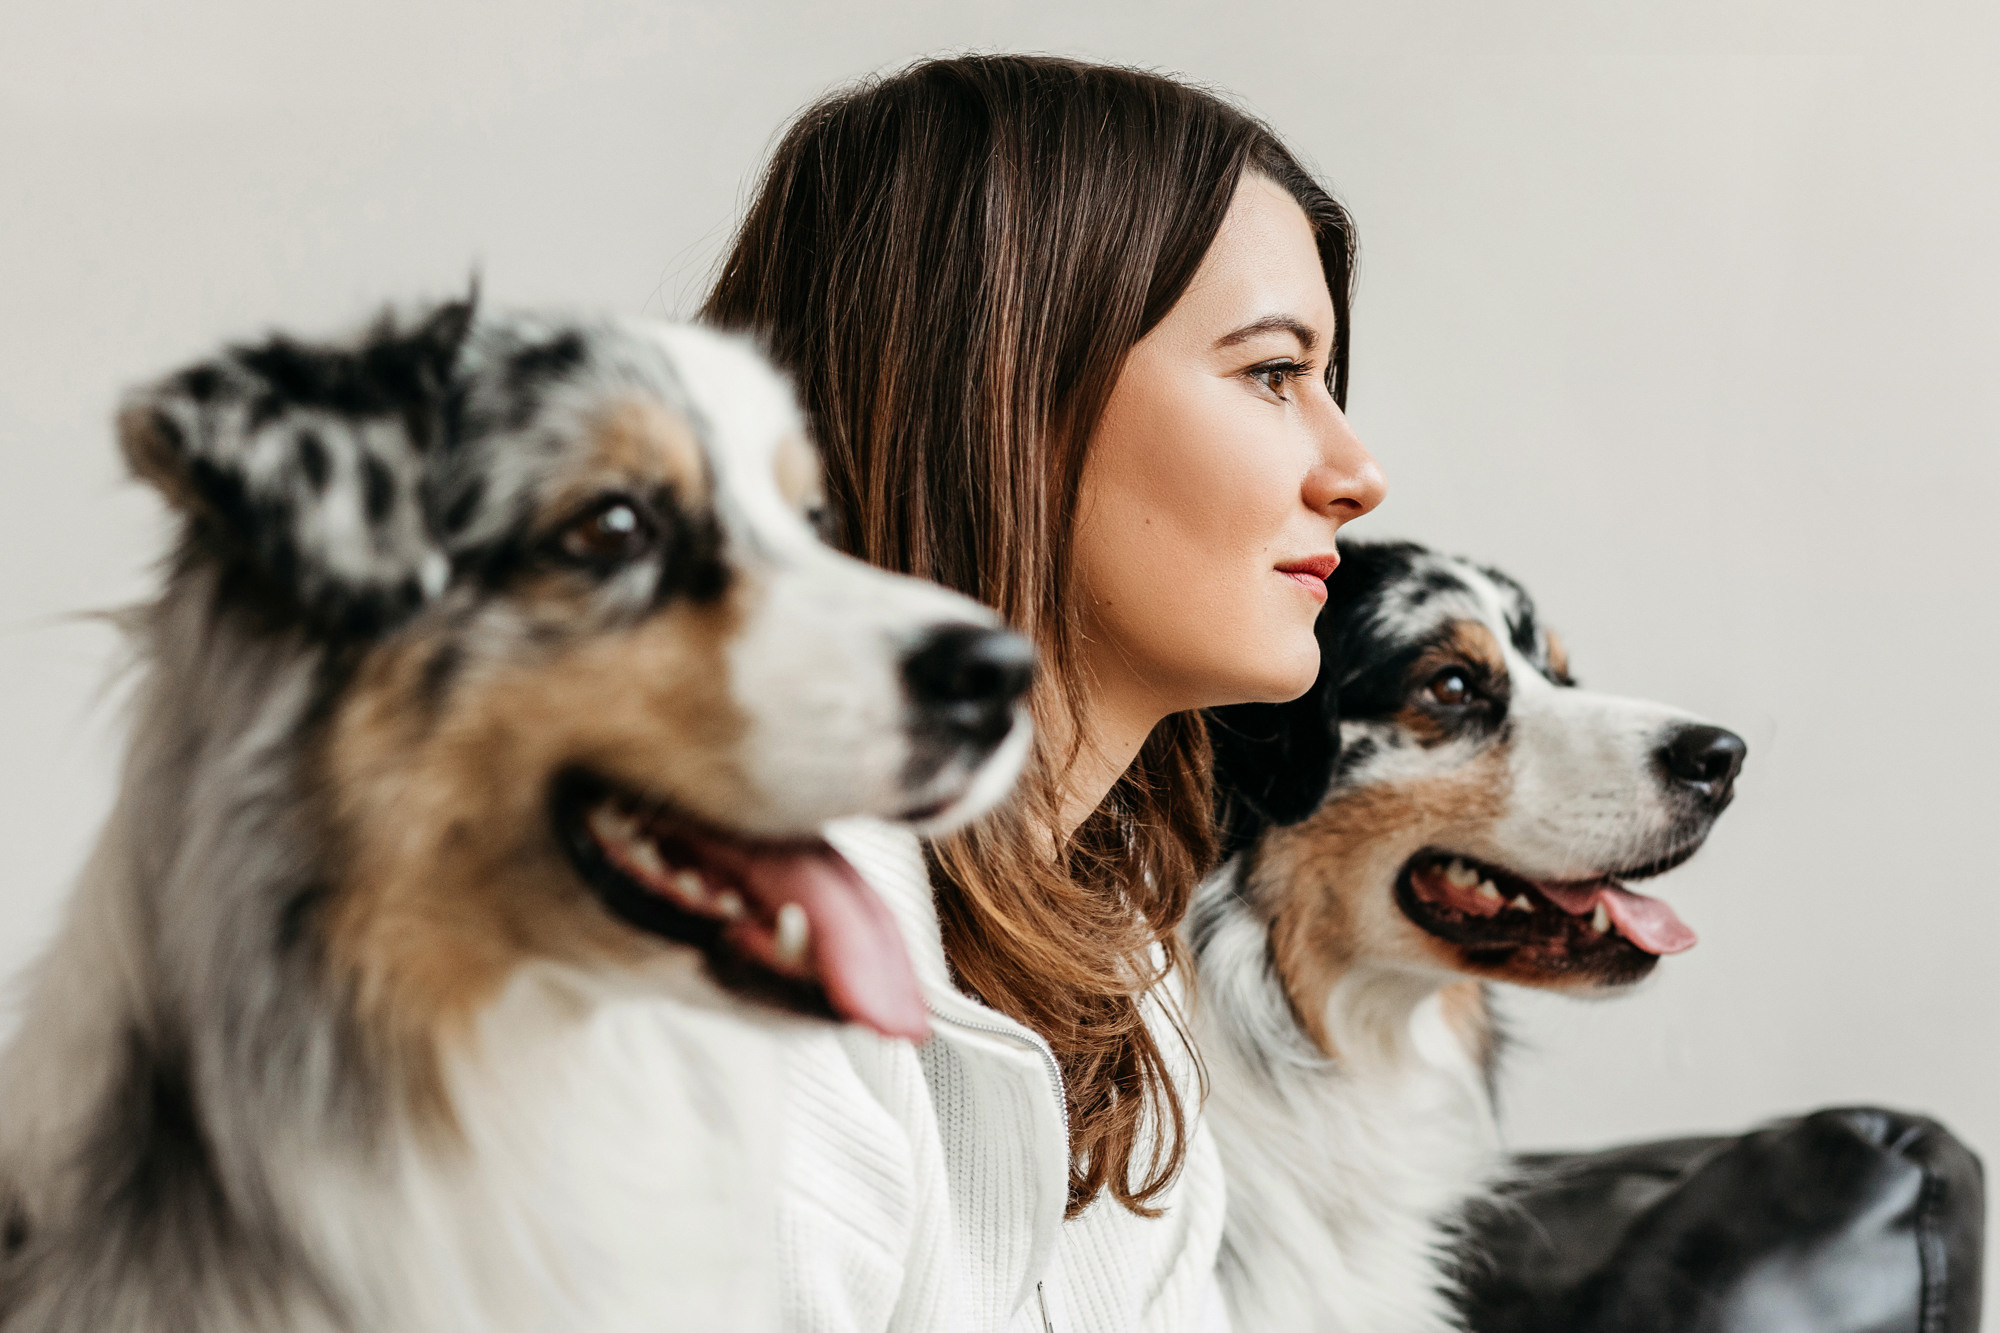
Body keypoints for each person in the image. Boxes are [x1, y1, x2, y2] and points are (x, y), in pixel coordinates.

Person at [702, 54, 1385, 1332]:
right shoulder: (717, 953)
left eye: (1325, 381)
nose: (1354, 471)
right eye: (1270, 373)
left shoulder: (1113, 956)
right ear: (1003, 390)